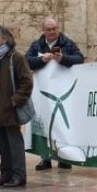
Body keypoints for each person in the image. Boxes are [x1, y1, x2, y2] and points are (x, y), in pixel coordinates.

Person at [26, 17, 84, 171]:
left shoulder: (68, 43)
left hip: (63, 90)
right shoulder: (37, 44)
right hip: (43, 92)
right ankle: (45, 157)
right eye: (48, 29)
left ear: (58, 28)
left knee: (62, 124)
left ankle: (64, 158)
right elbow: (27, 61)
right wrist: (41, 59)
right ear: (43, 30)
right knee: (45, 123)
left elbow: (80, 59)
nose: (52, 32)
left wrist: (63, 58)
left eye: (54, 29)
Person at [0, 25, 33, 189]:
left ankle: (19, 175)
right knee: (2, 144)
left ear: (5, 39)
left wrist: (15, 100)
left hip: (10, 109)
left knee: (14, 144)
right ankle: (5, 174)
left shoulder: (16, 58)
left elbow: (26, 82)